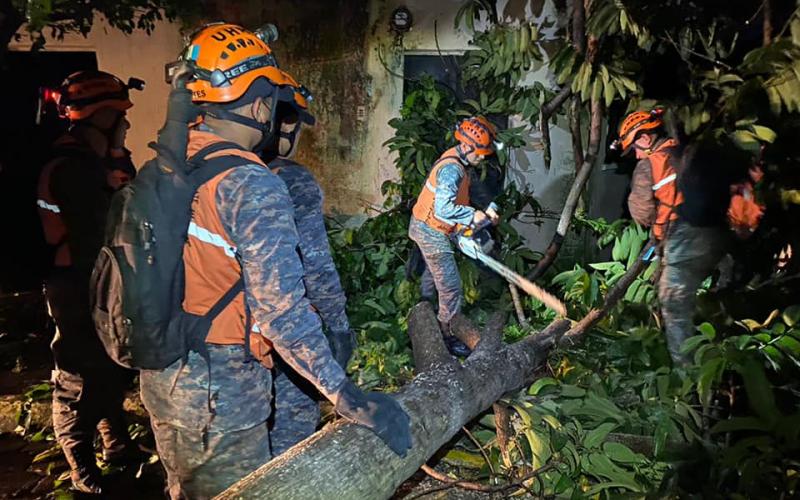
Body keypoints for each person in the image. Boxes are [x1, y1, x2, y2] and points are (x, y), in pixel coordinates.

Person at [138, 23, 411, 499]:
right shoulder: (251, 182)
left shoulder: (169, 162)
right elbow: (281, 310)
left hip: (165, 373)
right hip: (221, 389)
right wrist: (347, 397)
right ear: (262, 103)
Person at [36, 70, 138, 494]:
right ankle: (82, 471)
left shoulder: (102, 163)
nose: (127, 125)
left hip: (102, 283)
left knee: (112, 364)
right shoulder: (70, 168)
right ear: (102, 116)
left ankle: (116, 446)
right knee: (79, 374)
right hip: (74, 287)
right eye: (120, 116)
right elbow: (98, 230)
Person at [262, 100, 356, 455]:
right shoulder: (292, 180)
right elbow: (316, 266)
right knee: (292, 427)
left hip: (208, 346)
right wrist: (337, 326)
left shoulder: (203, 172)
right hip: (279, 332)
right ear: (283, 130)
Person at [617, 109, 729, 366]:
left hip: (684, 236)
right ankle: (727, 351)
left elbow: (642, 211)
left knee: (674, 303)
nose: (635, 154)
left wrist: (657, 230)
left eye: (634, 147)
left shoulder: (650, 165)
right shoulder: (687, 150)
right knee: (722, 295)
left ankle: (687, 376)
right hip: (722, 235)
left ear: (644, 138)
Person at [408, 116, 501, 357]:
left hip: (428, 225)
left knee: (433, 272)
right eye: (480, 153)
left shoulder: (457, 159)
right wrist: (472, 216)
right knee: (451, 286)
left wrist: (488, 207)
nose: (482, 158)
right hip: (432, 230)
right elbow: (443, 209)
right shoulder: (451, 169)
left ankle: (424, 307)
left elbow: (469, 189)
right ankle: (446, 336)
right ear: (468, 146)